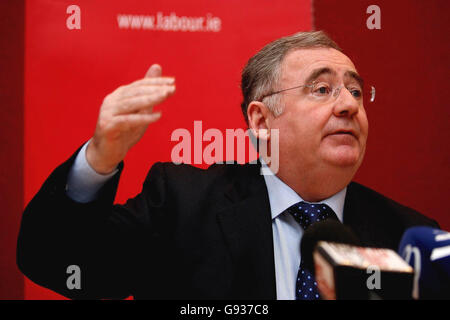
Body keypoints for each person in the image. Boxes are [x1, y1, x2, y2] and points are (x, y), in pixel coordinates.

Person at [17, 31, 439, 300]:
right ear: (260, 121)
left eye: (355, 91)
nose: (348, 105)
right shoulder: (183, 205)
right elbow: (57, 262)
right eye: (322, 89)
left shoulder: (408, 238)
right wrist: (98, 160)